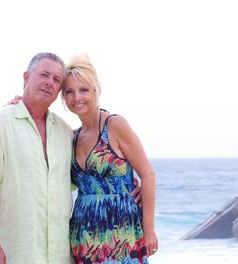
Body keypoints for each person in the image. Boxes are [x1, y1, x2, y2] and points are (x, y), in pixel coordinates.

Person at [0, 52, 75, 264]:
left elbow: (86, 175)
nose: (49, 83)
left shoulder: (65, 132)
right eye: (43, 75)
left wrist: (126, 184)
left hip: (62, 257)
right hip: (17, 255)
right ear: (26, 77)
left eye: (56, 80)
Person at [62, 54, 158, 264]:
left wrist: (149, 229)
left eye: (83, 90)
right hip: (84, 234)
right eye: (69, 92)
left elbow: (148, 174)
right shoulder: (71, 136)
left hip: (122, 232)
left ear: (96, 90)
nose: (77, 97)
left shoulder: (115, 126)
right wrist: (17, 104)